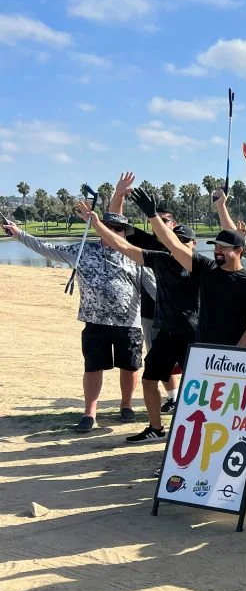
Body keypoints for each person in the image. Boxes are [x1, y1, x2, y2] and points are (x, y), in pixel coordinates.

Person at [3, 211, 149, 432]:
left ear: (125, 233)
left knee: (130, 366)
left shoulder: (136, 256)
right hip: (93, 320)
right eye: (108, 226)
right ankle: (90, 413)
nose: (113, 231)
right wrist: (19, 234)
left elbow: (155, 285)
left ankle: (126, 405)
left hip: (128, 322)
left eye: (118, 228)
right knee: (92, 367)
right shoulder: (82, 250)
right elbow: (47, 249)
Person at [81, 200, 200, 444]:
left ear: (194, 245)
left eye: (184, 242)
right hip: (166, 334)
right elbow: (121, 244)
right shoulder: (162, 259)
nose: (178, 246)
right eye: (174, 241)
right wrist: (96, 224)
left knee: (196, 387)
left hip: (194, 336)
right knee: (149, 380)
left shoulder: (203, 266)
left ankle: (195, 432)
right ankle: (156, 428)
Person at [129, 188, 246, 350]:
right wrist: (152, 215)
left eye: (223, 248)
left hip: (235, 355)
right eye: (216, 247)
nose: (218, 251)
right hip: (201, 350)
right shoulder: (206, 268)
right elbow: (172, 243)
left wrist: (236, 350)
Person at [111, 171, 179, 411]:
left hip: (183, 313)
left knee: (188, 358)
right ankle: (172, 397)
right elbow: (115, 224)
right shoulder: (147, 243)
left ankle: (186, 399)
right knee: (158, 357)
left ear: (174, 224)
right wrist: (118, 193)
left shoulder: (183, 243)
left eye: (164, 219)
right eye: (154, 218)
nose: (157, 223)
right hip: (151, 311)